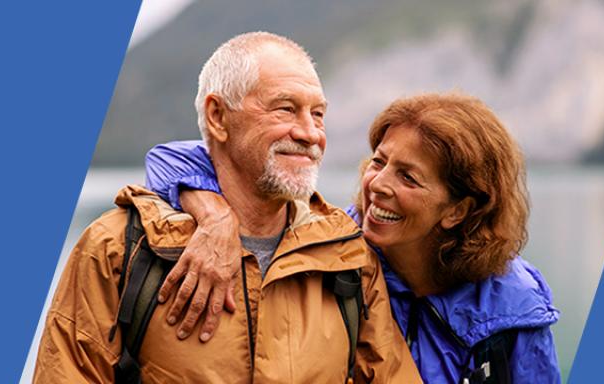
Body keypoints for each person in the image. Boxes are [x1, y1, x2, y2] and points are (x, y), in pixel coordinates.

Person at [33, 32, 420, 383]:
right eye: (285, 109)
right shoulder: (118, 247)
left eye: (317, 113)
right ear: (218, 116)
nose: (310, 133)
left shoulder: (348, 255)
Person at [145, 92, 561, 383]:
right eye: (378, 161)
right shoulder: (331, 246)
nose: (377, 184)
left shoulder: (512, 304)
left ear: (458, 210)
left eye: (408, 177)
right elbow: (166, 157)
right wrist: (214, 214)